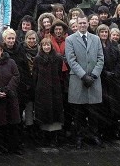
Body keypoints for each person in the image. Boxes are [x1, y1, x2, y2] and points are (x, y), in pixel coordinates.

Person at [65, 15, 104, 148]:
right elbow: (71, 60)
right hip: (78, 80)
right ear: (76, 24)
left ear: (88, 24)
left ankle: (94, 135)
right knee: (78, 112)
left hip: (94, 80)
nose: (82, 25)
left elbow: (100, 59)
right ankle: (79, 137)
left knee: (94, 112)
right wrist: (83, 75)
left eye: (84, 23)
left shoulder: (96, 39)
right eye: (80, 23)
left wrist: (93, 75)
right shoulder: (70, 39)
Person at [33, 36, 65, 146]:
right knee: (44, 114)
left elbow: (60, 74)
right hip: (42, 90)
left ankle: (54, 137)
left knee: (55, 114)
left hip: (55, 90)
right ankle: (44, 137)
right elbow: (35, 75)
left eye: (48, 45)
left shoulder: (58, 58)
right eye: (44, 45)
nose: (46, 47)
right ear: (41, 47)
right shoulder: (37, 59)